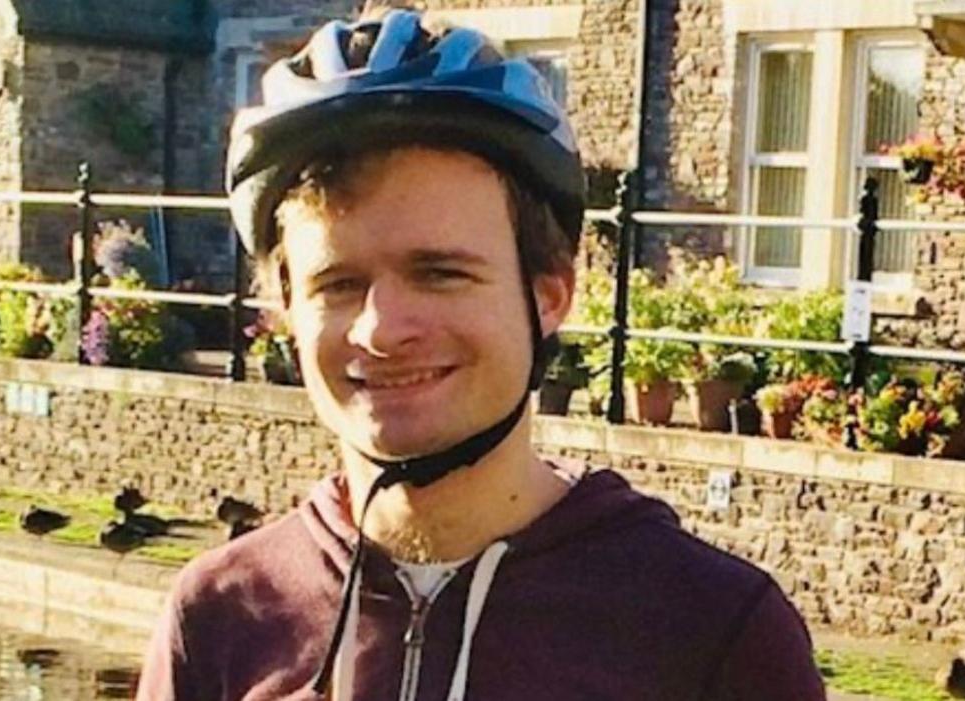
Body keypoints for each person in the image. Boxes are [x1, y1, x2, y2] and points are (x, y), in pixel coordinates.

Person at [137, 6, 826, 700]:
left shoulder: (710, 634)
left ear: (550, 295)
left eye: (441, 273)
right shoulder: (220, 618)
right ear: (285, 308)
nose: (381, 328)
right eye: (339, 283)